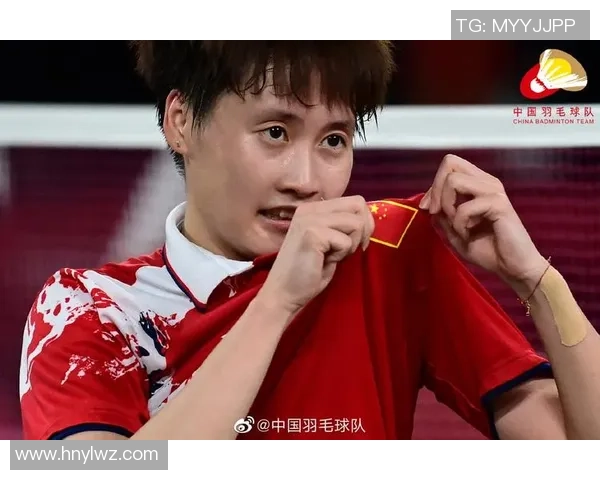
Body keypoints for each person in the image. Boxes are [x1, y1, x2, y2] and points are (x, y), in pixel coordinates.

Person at [19, 41, 600, 440]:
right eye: (275, 132)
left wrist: (537, 281)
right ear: (182, 121)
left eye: (334, 140)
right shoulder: (89, 310)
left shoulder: (387, 253)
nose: (306, 180)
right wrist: (278, 302)